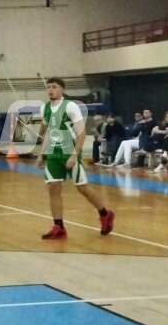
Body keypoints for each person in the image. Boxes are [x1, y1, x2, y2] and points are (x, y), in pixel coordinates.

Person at [38, 78, 114, 240]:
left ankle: (105, 214)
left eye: (54, 87)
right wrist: (41, 154)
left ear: (62, 89)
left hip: (69, 152)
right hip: (53, 153)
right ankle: (59, 227)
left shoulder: (70, 106)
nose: (50, 90)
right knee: (53, 188)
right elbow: (48, 133)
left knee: (82, 188)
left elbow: (81, 133)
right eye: (48, 87)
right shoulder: (44, 108)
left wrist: (74, 155)